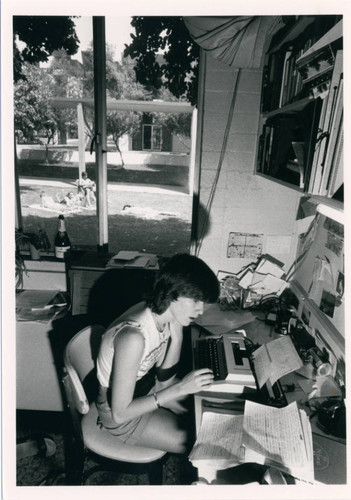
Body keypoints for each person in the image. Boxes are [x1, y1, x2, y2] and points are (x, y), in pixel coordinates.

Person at [95, 253, 220, 454]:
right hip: (121, 414)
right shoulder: (133, 337)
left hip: (145, 389)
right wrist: (180, 389)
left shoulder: (160, 314)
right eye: (196, 300)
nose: (201, 310)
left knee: (213, 413)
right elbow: (120, 413)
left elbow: (163, 380)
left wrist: (177, 337)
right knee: (207, 446)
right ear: (173, 293)